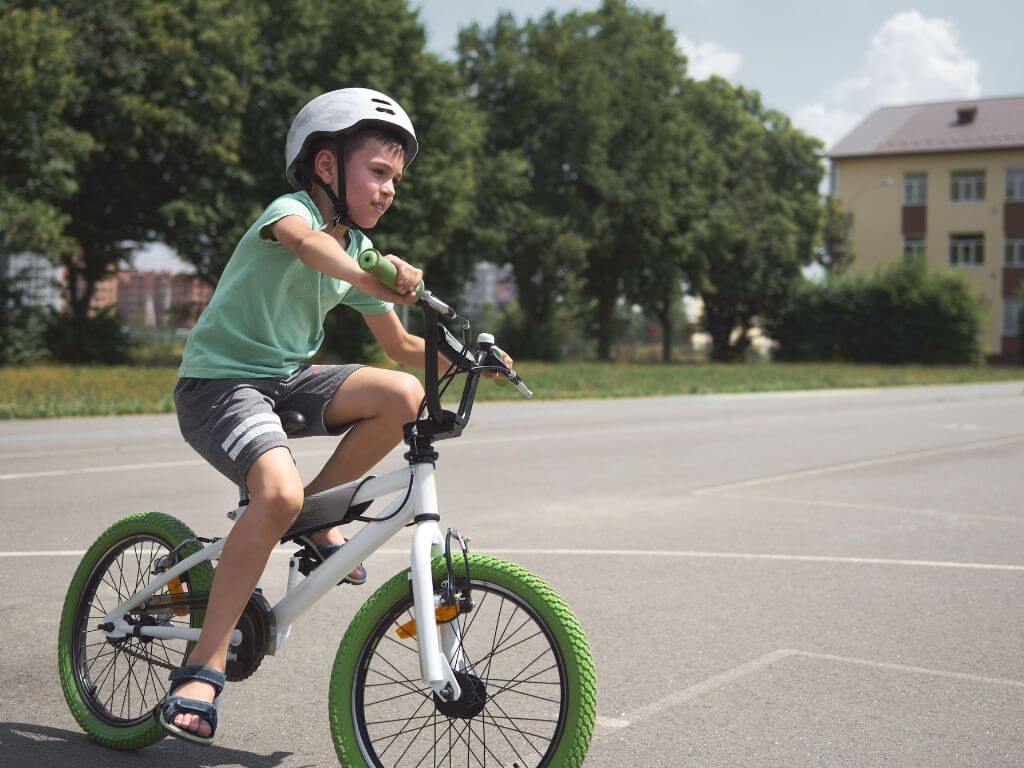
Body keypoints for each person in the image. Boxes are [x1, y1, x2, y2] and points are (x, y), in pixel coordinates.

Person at [158, 87, 512, 745]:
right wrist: (380, 276)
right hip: (219, 385)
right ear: (326, 166)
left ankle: (312, 513)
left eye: (395, 181)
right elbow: (312, 250)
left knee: (404, 395)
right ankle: (202, 667)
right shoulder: (290, 214)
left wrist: (468, 356)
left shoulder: (358, 253)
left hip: (286, 381)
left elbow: (403, 348)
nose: (388, 191)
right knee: (275, 493)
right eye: (378, 173)